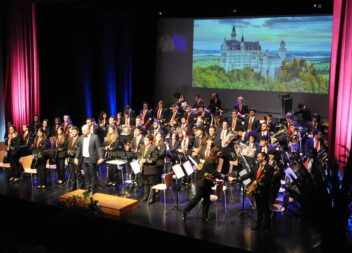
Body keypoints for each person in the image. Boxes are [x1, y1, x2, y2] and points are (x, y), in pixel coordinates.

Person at [182, 146, 235, 223]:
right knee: (197, 199)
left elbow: (217, 171)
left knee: (207, 200)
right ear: (215, 153)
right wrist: (226, 178)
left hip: (208, 182)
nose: (221, 153)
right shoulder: (210, 161)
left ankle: (205, 217)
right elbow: (215, 173)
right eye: (219, 152)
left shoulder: (214, 159)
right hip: (202, 183)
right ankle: (185, 211)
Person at [236, 152, 273, 231]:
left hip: (264, 191)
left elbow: (268, 180)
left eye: (259, 157)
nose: (257, 158)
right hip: (256, 191)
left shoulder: (269, 167)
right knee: (259, 209)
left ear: (263, 157)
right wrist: (239, 179)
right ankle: (258, 225)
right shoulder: (256, 166)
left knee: (266, 210)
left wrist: (258, 183)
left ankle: (268, 227)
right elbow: (249, 174)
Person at [74, 124, 104, 194]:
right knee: (86, 175)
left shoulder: (95, 137)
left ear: (88, 130)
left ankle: (93, 190)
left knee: (93, 175)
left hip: (92, 159)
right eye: (82, 131)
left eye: (84, 131)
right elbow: (79, 148)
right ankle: (88, 189)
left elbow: (98, 148)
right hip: (84, 159)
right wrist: (76, 157)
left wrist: (101, 157)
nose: (82, 132)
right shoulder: (81, 137)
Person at [67, 126, 83, 191]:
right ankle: (72, 187)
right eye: (72, 131)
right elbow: (68, 148)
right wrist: (68, 153)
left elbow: (80, 150)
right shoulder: (70, 139)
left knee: (78, 173)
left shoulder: (80, 139)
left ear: (78, 132)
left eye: (74, 131)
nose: (73, 133)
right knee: (72, 173)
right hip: (70, 159)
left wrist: (73, 152)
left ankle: (80, 187)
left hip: (77, 159)